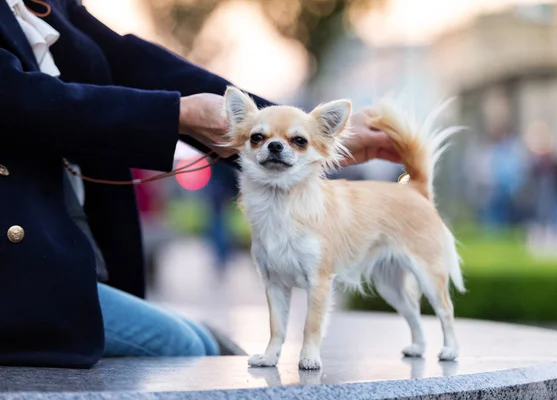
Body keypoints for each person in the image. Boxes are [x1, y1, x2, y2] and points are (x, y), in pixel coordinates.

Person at [0, 0, 402, 368]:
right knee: (188, 347)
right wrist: (175, 114)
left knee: (211, 343)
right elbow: (15, 97)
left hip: (60, 258)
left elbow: (128, 60)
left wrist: (295, 130)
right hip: (17, 275)